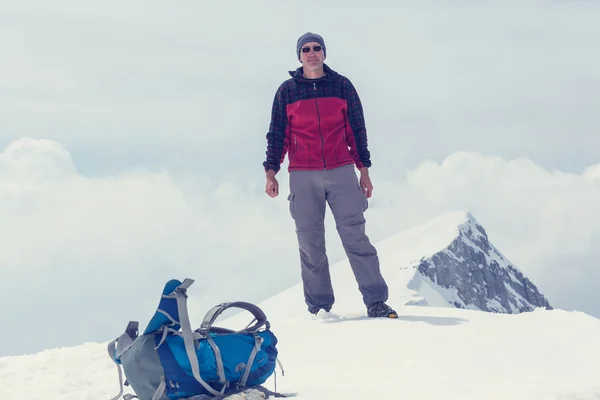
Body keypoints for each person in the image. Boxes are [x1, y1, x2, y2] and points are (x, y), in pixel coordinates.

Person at [262, 32, 397, 319]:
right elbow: (277, 135)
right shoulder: (287, 91)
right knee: (310, 243)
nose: (312, 53)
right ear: (299, 56)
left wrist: (364, 170)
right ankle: (320, 308)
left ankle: (376, 302)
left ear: (324, 53)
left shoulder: (341, 86)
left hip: (341, 170)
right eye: (306, 49)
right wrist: (270, 171)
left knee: (356, 237)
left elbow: (356, 130)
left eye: (317, 48)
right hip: (302, 173)